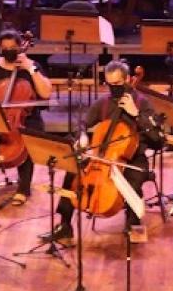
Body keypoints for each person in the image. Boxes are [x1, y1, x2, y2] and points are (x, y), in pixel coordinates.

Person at [49, 60, 164, 242]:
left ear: (127, 79)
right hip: (101, 156)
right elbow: (82, 123)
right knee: (72, 171)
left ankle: (133, 225)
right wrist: (83, 136)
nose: (113, 89)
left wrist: (136, 115)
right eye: (109, 84)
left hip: (132, 157)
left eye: (117, 84)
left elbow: (158, 140)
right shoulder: (103, 103)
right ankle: (64, 224)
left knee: (133, 182)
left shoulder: (142, 103)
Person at [0, 29, 53, 206]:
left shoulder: (32, 66)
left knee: (27, 137)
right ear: (0, 48)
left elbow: (46, 93)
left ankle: (23, 188)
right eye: (4, 47)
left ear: (19, 48)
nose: (8, 50)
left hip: (25, 119)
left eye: (12, 47)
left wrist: (30, 69)